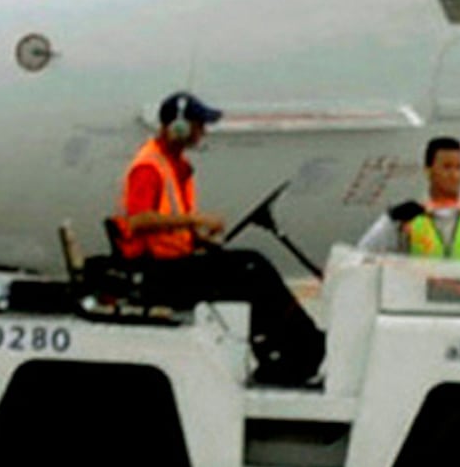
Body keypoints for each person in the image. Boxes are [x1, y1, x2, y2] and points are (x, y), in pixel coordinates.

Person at [111, 91, 324, 386]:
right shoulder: (149, 167)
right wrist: (195, 220)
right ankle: (292, 351)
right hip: (159, 274)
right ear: (179, 127)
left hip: (173, 263)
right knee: (251, 270)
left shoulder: (173, 165)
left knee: (252, 265)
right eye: (199, 125)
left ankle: (298, 347)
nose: (203, 132)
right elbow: (138, 221)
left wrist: (198, 240)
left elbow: (166, 225)